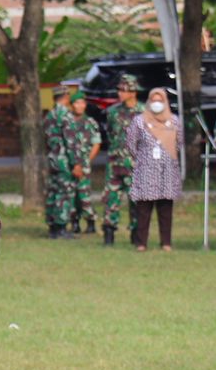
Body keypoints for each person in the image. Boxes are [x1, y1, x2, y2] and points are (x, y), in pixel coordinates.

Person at [125, 88, 182, 251]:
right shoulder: (139, 121)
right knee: (143, 208)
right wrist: (142, 157)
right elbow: (131, 143)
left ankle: (166, 242)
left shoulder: (174, 121)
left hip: (167, 170)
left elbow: (179, 142)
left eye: (160, 100)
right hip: (146, 169)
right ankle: (141, 242)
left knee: (165, 208)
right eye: (154, 100)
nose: (157, 104)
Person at [101, 74, 142, 245]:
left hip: (136, 165)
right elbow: (110, 133)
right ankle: (109, 234)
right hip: (115, 163)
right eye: (119, 90)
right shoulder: (112, 112)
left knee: (136, 202)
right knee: (111, 199)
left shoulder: (144, 113)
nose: (120, 93)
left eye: (123, 90)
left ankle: (136, 233)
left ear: (133, 92)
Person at [63, 89, 101, 235]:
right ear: (72, 105)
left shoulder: (90, 122)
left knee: (84, 195)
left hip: (83, 166)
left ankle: (90, 222)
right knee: (71, 196)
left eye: (83, 103)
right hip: (69, 166)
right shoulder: (67, 122)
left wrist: (86, 162)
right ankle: (74, 223)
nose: (80, 105)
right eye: (77, 102)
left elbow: (96, 144)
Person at [44, 85, 77, 239]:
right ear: (66, 96)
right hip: (64, 160)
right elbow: (70, 142)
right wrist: (75, 162)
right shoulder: (65, 115)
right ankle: (61, 227)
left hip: (52, 159)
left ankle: (52, 226)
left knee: (53, 192)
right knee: (64, 193)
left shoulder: (50, 115)